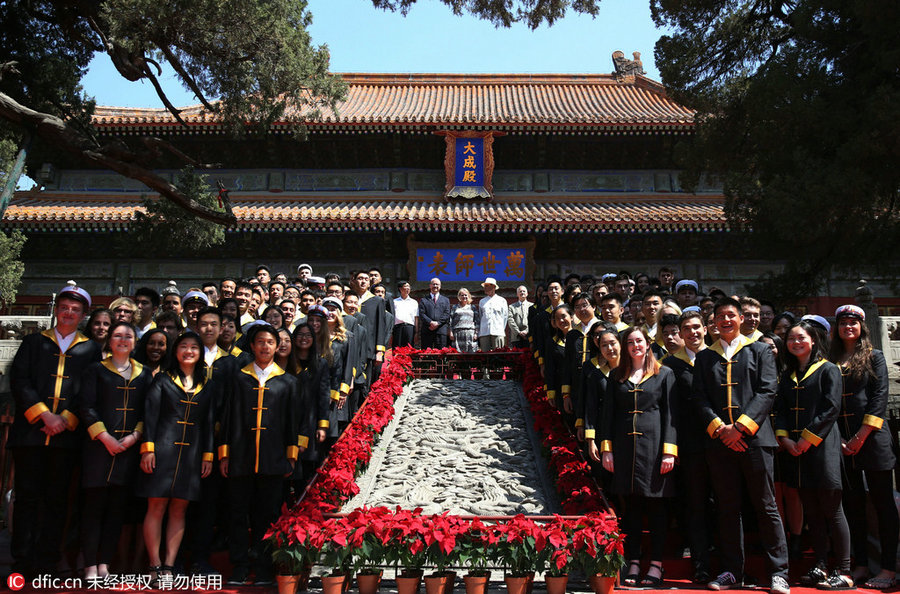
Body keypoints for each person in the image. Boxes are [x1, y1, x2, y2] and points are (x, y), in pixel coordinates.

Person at [691, 297, 789, 594]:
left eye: (731, 315)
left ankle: (779, 572)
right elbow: (700, 397)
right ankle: (732, 571)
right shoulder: (705, 357)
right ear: (713, 322)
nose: (726, 320)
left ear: (741, 319)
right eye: (720, 316)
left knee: (766, 506)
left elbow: (767, 390)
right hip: (720, 442)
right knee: (727, 508)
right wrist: (720, 429)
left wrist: (741, 429)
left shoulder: (759, 350)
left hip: (756, 440)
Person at [9, 285, 102, 577]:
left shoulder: (90, 348)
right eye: (64, 308)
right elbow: (19, 380)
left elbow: (90, 390)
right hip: (31, 434)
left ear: (83, 315)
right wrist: (44, 414)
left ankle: (47, 560)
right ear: (56, 310)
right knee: (26, 498)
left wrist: (66, 419)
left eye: (75, 310)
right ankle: (21, 560)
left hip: (66, 438)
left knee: (57, 500)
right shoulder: (34, 342)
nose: (68, 314)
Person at [220, 324, 300, 586]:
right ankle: (240, 565)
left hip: (273, 458)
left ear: (277, 347)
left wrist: (291, 455)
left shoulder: (288, 381)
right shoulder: (238, 378)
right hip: (240, 456)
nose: (265, 347)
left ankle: (264, 567)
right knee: (237, 513)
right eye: (260, 342)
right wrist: (224, 454)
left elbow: (293, 422)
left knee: (268, 515)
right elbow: (227, 417)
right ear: (252, 346)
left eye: (270, 342)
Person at [775, 321, 850, 589]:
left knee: (832, 509)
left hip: (822, 446)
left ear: (814, 340)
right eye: (791, 339)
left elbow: (831, 408)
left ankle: (844, 570)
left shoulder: (828, 369)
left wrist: (807, 438)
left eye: (801, 338)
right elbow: (780, 410)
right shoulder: (787, 375)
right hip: (795, 450)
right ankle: (821, 564)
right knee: (812, 511)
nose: (795, 343)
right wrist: (785, 439)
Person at [600, 326, 677, 588]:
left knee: (656, 507)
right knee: (631, 507)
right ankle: (633, 560)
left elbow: (671, 415)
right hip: (624, 449)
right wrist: (607, 448)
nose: (635, 346)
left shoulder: (664, 373)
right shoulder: (616, 376)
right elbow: (608, 415)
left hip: (655, 449)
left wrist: (669, 451)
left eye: (639, 341)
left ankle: (656, 563)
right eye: (630, 342)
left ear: (648, 343)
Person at [829, 305, 898, 589]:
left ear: (862, 327)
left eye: (853, 322)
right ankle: (860, 565)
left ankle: (888, 569)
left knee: (883, 504)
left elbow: (879, 398)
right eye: (843, 323)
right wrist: (840, 439)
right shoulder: (831, 359)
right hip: (841, 441)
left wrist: (860, 436)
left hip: (872, 439)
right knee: (852, 505)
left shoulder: (874, 356)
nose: (848, 327)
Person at [137, 332, 214, 584]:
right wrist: (148, 449)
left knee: (180, 509)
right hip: (162, 451)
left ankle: (169, 565)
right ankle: (154, 564)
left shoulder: (207, 384)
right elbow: (150, 416)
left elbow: (209, 422)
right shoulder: (162, 379)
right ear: (176, 351)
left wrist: (208, 455)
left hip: (192, 454)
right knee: (156, 506)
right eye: (184, 346)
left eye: (194, 347)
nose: (189, 351)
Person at [78, 321, 153, 580]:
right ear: (109, 341)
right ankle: (90, 565)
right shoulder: (95, 370)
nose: (123, 340)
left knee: (116, 510)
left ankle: (104, 564)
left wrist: (134, 436)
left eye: (128, 336)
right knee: (93, 509)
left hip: (128, 450)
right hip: (98, 448)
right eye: (118, 336)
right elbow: (86, 406)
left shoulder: (144, 373)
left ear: (135, 342)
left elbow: (148, 410)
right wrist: (105, 437)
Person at [661, 310, 711, 583]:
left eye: (696, 328)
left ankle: (730, 564)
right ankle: (701, 564)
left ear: (706, 329)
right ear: (681, 334)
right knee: (695, 503)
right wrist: (673, 445)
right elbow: (669, 409)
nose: (692, 333)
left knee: (726, 503)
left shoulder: (719, 357)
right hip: (690, 445)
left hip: (723, 442)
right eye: (686, 329)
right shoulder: (670, 365)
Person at [419, 277, 451, 349]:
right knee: (426, 353)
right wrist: (430, 322)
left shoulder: (446, 300)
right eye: (433, 284)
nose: (435, 286)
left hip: (441, 331)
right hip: (427, 330)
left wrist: (438, 323)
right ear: (430, 285)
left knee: (441, 353)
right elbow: (422, 314)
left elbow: (447, 314)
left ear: (440, 286)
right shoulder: (424, 300)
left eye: (437, 284)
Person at [478, 277, 508, 351]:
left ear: (494, 287)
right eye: (485, 286)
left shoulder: (502, 300)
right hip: (484, 332)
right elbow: (480, 316)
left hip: (498, 331)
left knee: (498, 354)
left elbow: (505, 317)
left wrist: (500, 328)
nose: (485, 288)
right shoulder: (482, 301)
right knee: (485, 355)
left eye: (487, 286)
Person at [449, 288, 479, 353]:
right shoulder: (455, 307)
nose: (464, 297)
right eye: (462, 295)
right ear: (459, 296)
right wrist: (451, 332)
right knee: (458, 353)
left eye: (465, 295)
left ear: (468, 296)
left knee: (471, 352)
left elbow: (477, 321)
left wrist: (476, 333)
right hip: (457, 333)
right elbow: (450, 320)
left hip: (470, 333)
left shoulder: (473, 307)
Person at [392, 281, 418, 349]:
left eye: (409, 286)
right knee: (397, 348)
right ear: (400, 289)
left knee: (409, 348)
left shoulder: (414, 302)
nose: (408, 288)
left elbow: (416, 318)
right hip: (397, 328)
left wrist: (416, 332)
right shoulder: (395, 302)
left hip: (409, 328)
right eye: (406, 286)